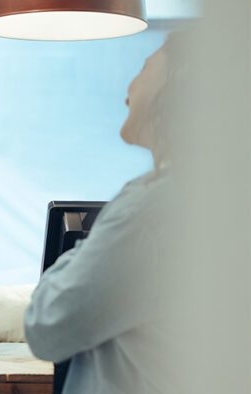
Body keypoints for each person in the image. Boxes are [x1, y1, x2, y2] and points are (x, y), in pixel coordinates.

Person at [24, 33, 188, 393]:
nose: (128, 87)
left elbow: (46, 326)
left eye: (145, 68)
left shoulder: (145, 211)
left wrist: (84, 249)